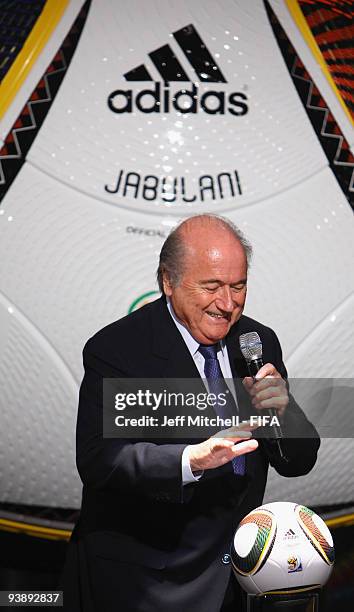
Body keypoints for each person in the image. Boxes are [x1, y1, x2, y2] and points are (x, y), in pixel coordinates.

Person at [62, 214, 320, 612]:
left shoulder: (258, 342)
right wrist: (190, 460)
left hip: (236, 576)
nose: (228, 303)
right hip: (147, 582)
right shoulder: (118, 349)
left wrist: (284, 413)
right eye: (212, 286)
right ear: (169, 281)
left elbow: (297, 462)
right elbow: (101, 462)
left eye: (239, 286)